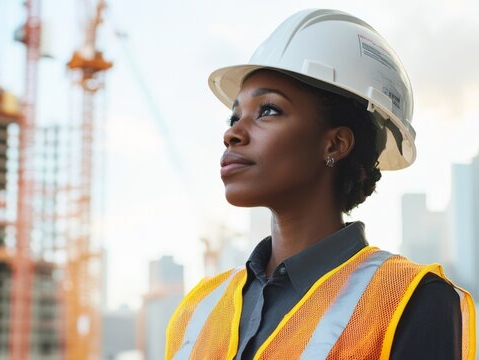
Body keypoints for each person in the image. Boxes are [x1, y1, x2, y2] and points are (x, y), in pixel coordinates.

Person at [165, 8, 476, 360]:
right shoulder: (199, 309)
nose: (232, 133)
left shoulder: (412, 300)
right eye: (234, 116)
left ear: (335, 144)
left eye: (268, 110)